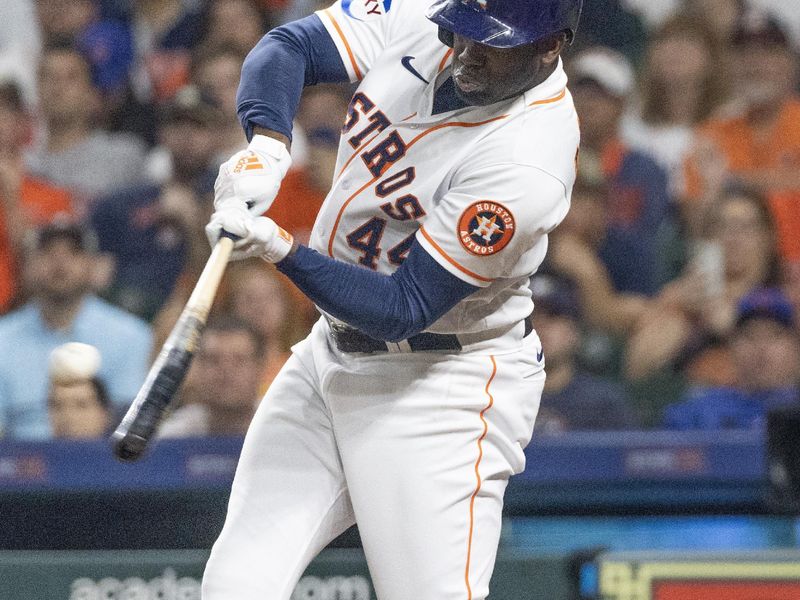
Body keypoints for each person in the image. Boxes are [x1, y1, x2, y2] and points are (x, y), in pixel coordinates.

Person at [201, 0, 582, 598]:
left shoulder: (529, 159)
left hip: (441, 382)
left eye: (493, 41)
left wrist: (281, 247)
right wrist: (269, 144)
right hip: (329, 350)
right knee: (237, 582)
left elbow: (402, 306)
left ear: (549, 46)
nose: (467, 50)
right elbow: (288, 47)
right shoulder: (425, 15)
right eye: (463, 29)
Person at [0, 219, 152, 439]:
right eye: (47, 252)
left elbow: (127, 422)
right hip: (21, 464)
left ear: (93, 264)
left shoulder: (131, 335)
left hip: (103, 463)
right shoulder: (2, 339)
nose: (60, 262)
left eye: (74, 252)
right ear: (27, 265)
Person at [683, 10, 800, 259]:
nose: (755, 63)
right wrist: (713, 192)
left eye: (768, 52)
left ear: (791, 62)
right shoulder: (711, 134)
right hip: (736, 281)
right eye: (744, 53)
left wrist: (734, 181)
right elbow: (697, 229)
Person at [569, 47, 673, 296]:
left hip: (622, 282)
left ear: (621, 102)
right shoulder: (547, 156)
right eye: (581, 91)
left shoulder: (644, 168)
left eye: (600, 94)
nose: (588, 102)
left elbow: (645, 235)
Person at [25, 43, 148, 211]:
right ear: (37, 90)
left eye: (71, 77)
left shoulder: (123, 157)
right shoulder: (23, 164)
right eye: (48, 77)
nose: (58, 86)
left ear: (91, 94)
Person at [664, 288, 800, 430]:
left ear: (794, 346)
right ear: (732, 346)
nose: (761, 348)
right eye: (749, 336)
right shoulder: (696, 413)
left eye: (774, 336)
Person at [530, 274, 640, 434]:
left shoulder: (603, 404)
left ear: (575, 332)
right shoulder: (497, 399)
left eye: (554, 316)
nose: (540, 325)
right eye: (529, 318)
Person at [0, 80, 72, 313]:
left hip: (30, 316)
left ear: (23, 123)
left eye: (4, 112)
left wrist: (11, 198)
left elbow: (47, 269)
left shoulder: (52, 197)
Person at [159, 315, 266, 437]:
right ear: (198, 368)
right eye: (213, 360)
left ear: (259, 367)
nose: (226, 370)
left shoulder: (281, 426)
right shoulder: (173, 437)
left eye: (239, 360)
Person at [47, 342, 113, 439]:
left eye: (81, 405)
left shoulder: (124, 453)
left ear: (105, 414)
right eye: (57, 406)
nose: (68, 417)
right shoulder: (33, 453)